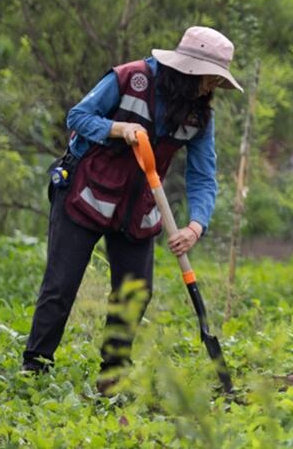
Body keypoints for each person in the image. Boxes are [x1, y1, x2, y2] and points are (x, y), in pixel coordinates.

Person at [22, 26, 243, 393]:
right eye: (209, 79)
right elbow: (77, 116)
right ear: (187, 70)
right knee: (61, 285)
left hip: (139, 207)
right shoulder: (130, 78)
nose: (211, 89)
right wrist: (117, 128)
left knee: (134, 293)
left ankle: (112, 379)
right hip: (85, 193)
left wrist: (195, 226)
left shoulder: (200, 117)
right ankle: (34, 370)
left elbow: (203, 175)